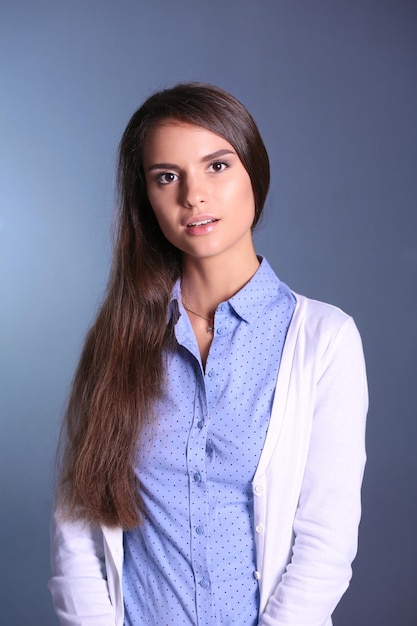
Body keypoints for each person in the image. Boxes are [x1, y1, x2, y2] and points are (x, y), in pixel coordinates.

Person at [48, 82, 368, 626]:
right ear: (146, 197)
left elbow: (325, 543)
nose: (192, 195)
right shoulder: (118, 340)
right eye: (166, 177)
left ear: (253, 173)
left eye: (217, 166)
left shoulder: (323, 339)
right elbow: (78, 529)